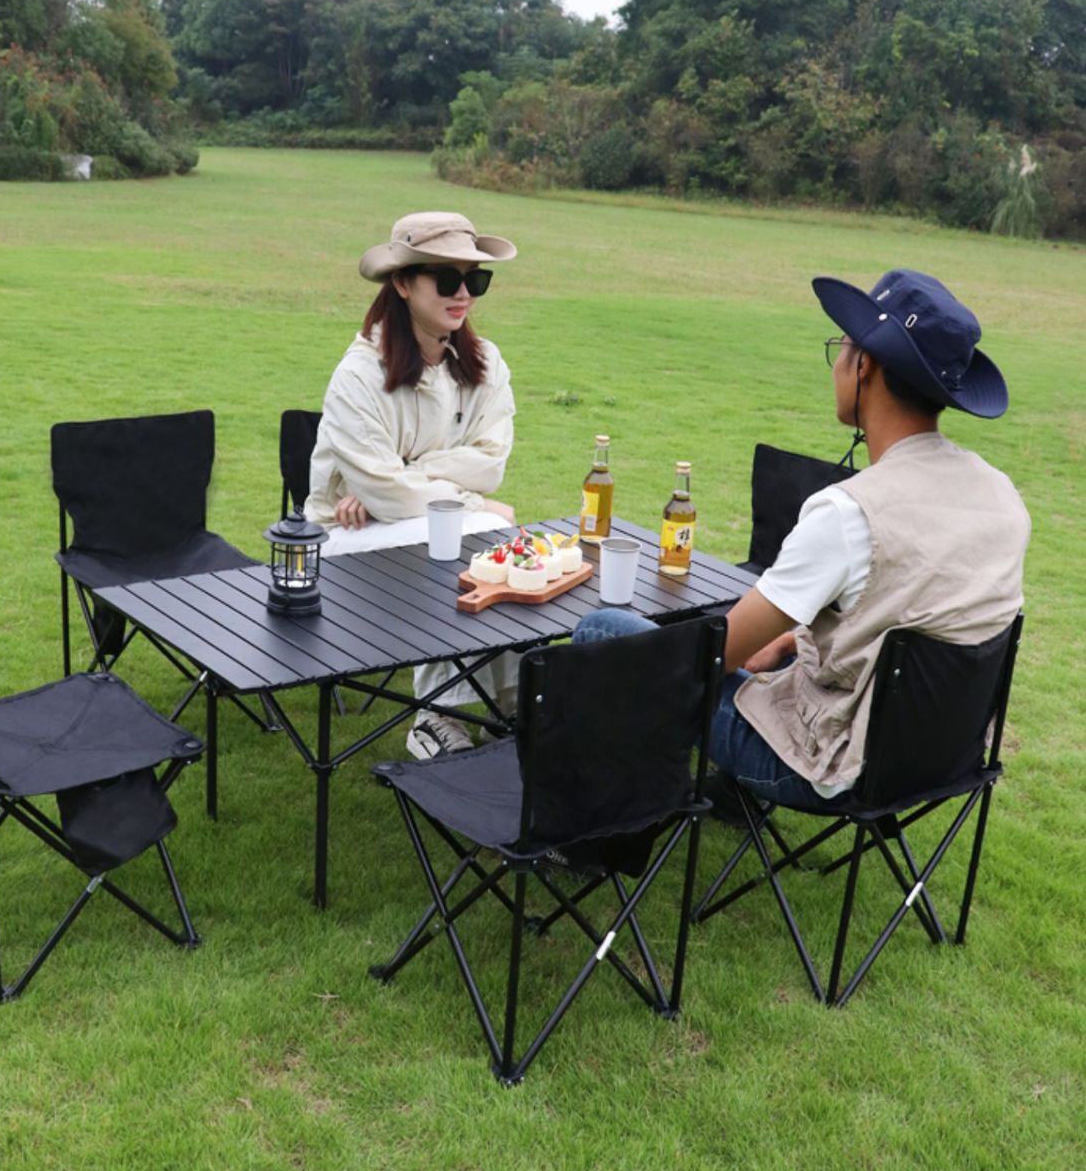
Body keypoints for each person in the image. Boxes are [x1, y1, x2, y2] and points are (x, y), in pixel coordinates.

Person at [575, 268, 1030, 812]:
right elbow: (915, 616)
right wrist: (789, 640)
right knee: (771, 648)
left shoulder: (851, 514)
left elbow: (716, 657)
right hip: (939, 758)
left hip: (828, 765)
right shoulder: (1002, 495)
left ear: (865, 365)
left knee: (605, 632)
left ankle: (597, 829)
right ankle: (721, 800)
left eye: (842, 347)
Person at [305, 210, 522, 760]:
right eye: (447, 279)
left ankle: (508, 705)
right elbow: (394, 495)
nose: (464, 294)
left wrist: (405, 476)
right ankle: (435, 717)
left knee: (493, 540)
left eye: (475, 279)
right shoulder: (358, 376)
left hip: (395, 518)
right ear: (402, 284)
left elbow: (490, 464)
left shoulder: (485, 363)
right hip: (344, 539)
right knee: (471, 534)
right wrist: (465, 499)